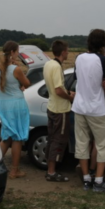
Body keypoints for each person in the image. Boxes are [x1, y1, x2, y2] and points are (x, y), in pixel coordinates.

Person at [72, 29, 105, 193]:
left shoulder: (79, 58)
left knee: (82, 143)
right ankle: (98, 181)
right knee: (103, 144)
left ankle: (86, 180)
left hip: (79, 107)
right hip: (97, 108)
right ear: (103, 43)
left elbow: (78, 78)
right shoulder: (104, 60)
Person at [0, 41, 31, 179]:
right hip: (16, 104)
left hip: (3, 104)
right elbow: (27, 83)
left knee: (7, 136)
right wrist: (18, 70)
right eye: (18, 51)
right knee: (17, 138)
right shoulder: (16, 69)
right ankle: (15, 171)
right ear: (13, 52)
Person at [43, 40, 75, 182]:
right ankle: (52, 172)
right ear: (62, 52)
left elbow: (58, 87)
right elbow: (58, 90)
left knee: (52, 138)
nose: (68, 53)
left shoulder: (48, 64)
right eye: (67, 51)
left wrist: (67, 91)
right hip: (60, 109)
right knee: (59, 140)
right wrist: (69, 97)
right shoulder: (56, 67)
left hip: (52, 106)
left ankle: (49, 169)